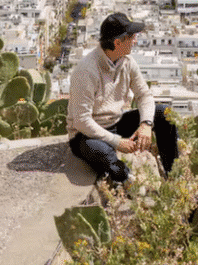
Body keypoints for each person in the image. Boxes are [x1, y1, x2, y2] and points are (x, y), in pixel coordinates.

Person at [67, 12, 178, 184]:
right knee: (101, 151)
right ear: (117, 42)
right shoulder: (86, 71)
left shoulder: (127, 62)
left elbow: (144, 95)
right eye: (132, 37)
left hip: (116, 122)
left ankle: (174, 175)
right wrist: (117, 142)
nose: (135, 40)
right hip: (85, 134)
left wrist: (146, 124)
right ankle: (128, 180)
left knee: (164, 114)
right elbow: (81, 121)